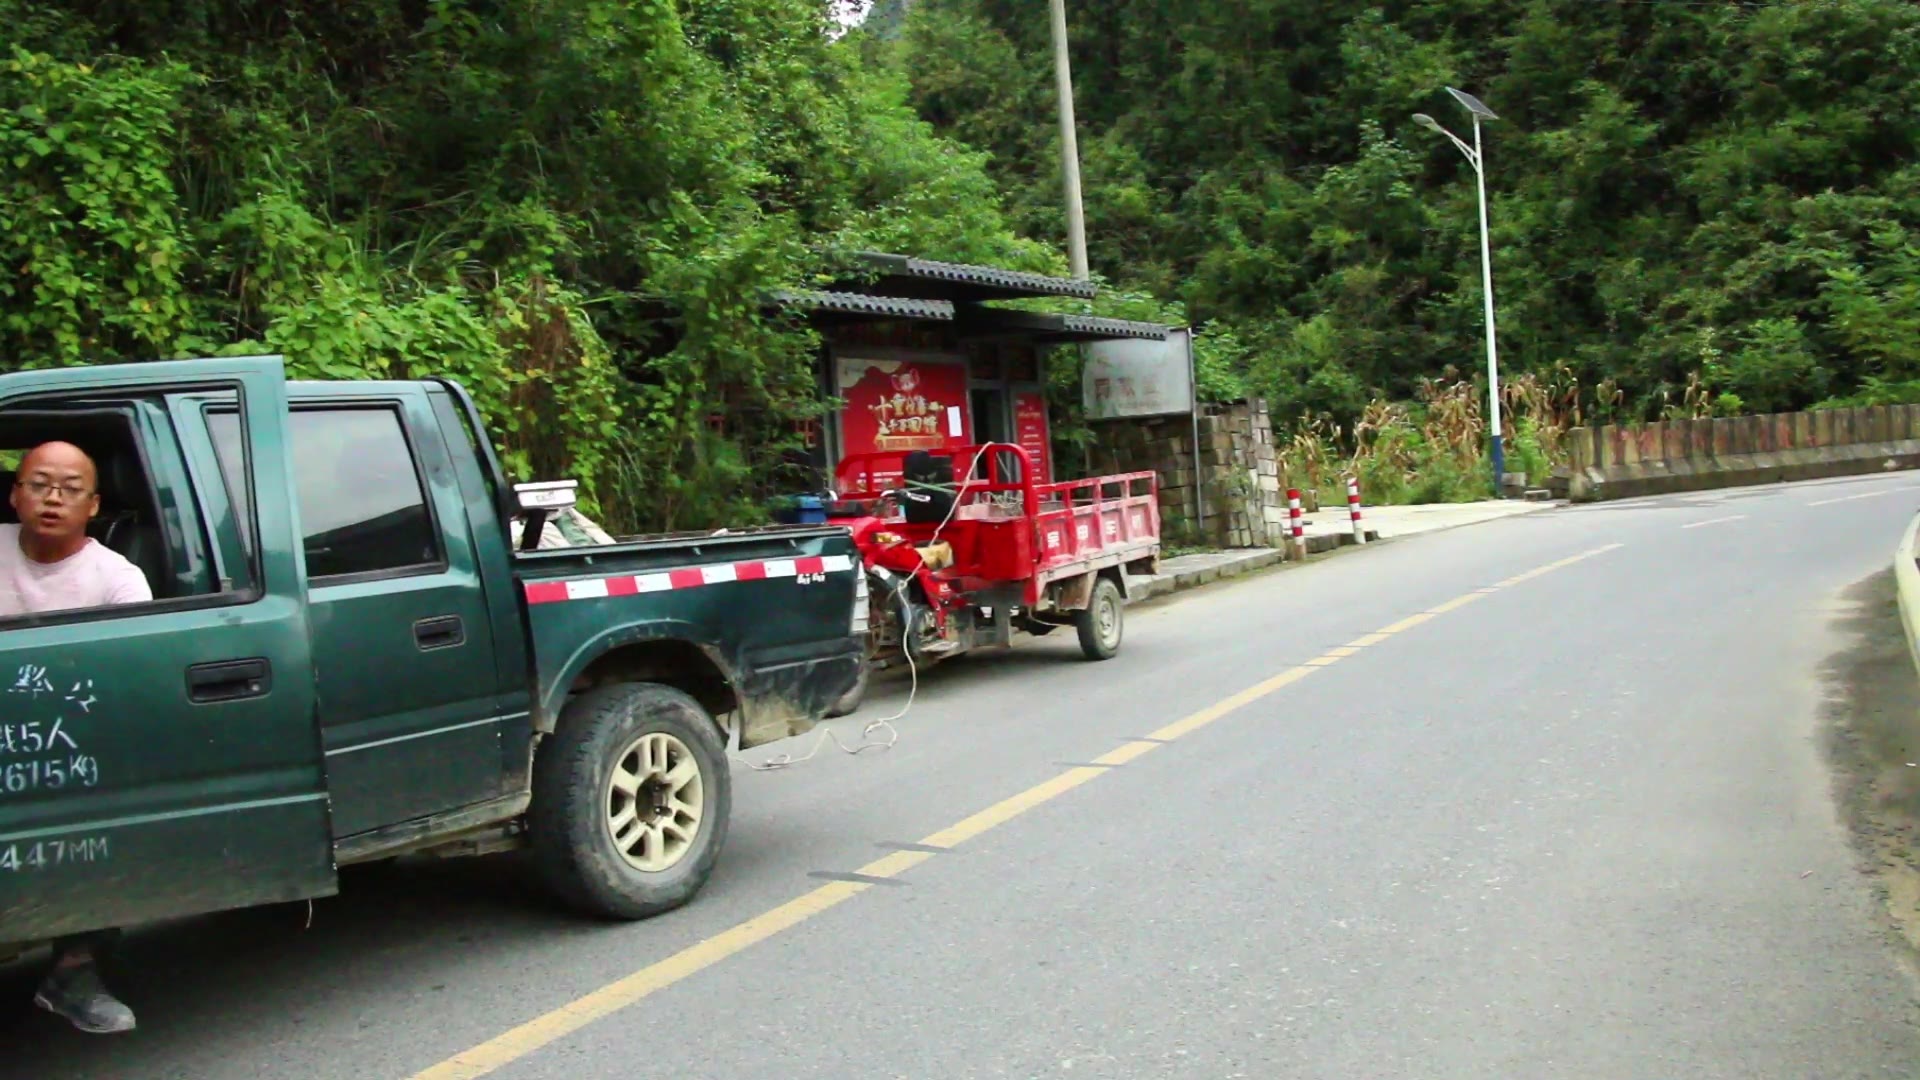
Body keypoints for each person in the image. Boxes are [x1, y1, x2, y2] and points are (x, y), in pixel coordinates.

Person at [1, 440, 150, 1034]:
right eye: (39, 484)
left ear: (93, 505)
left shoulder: (118, 580)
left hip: (70, 747)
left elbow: (131, 679)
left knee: (100, 811)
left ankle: (74, 970)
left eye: (69, 488)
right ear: (15, 494)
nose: (53, 498)